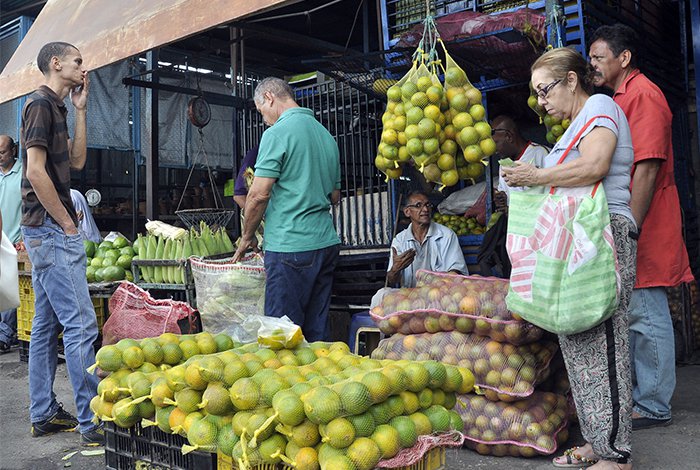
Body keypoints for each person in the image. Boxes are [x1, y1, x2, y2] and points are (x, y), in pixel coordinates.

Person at [502, 47, 636, 469]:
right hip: (579, 241)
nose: (541, 102)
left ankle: (617, 454)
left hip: (604, 235)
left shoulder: (600, 105)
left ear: (572, 81)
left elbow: (595, 165)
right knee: (579, 344)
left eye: (545, 90)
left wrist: (537, 175)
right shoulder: (568, 130)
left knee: (606, 345)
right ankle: (598, 442)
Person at [589, 24, 693, 432]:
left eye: (599, 57)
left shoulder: (644, 95)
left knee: (646, 313)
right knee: (635, 312)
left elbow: (647, 168)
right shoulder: (619, 97)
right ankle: (644, 397)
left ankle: (652, 403)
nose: (593, 64)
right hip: (637, 220)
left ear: (624, 58)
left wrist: (628, 226)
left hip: (646, 221)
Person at [20, 42, 102, 446]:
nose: (83, 68)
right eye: (77, 61)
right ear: (56, 63)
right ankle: (92, 422)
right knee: (82, 325)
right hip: (51, 232)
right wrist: (69, 225)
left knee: (46, 326)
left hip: (43, 231)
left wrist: (82, 108)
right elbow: (36, 173)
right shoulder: (39, 104)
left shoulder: (58, 107)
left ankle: (44, 412)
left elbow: (77, 163)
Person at [232, 77, 341, 342]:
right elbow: (335, 196)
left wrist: (247, 236)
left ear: (269, 97)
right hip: (325, 243)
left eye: (261, 112)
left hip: (290, 247)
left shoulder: (277, 133)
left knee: (281, 336)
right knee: (316, 336)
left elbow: (258, 195)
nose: (265, 120)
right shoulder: (325, 135)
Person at [386, 190, 467, 288]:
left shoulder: (446, 235)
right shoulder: (399, 240)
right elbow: (391, 280)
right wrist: (395, 269)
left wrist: (445, 280)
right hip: (410, 297)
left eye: (428, 205)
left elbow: (456, 270)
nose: (425, 209)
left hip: (439, 294)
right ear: (407, 212)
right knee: (380, 295)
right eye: (418, 205)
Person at [491, 115, 549, 209]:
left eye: (496, 143)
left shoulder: (541, 153)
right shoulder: (504, 162)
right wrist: (502, 198)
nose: (494, 150)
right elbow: (505, 191)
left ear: (509, 137)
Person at [0, 135, 22, 352]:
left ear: (13, 151)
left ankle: (4, 334)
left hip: (15, 241)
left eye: (2, 152)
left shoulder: (24, 173)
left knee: (9, 287)